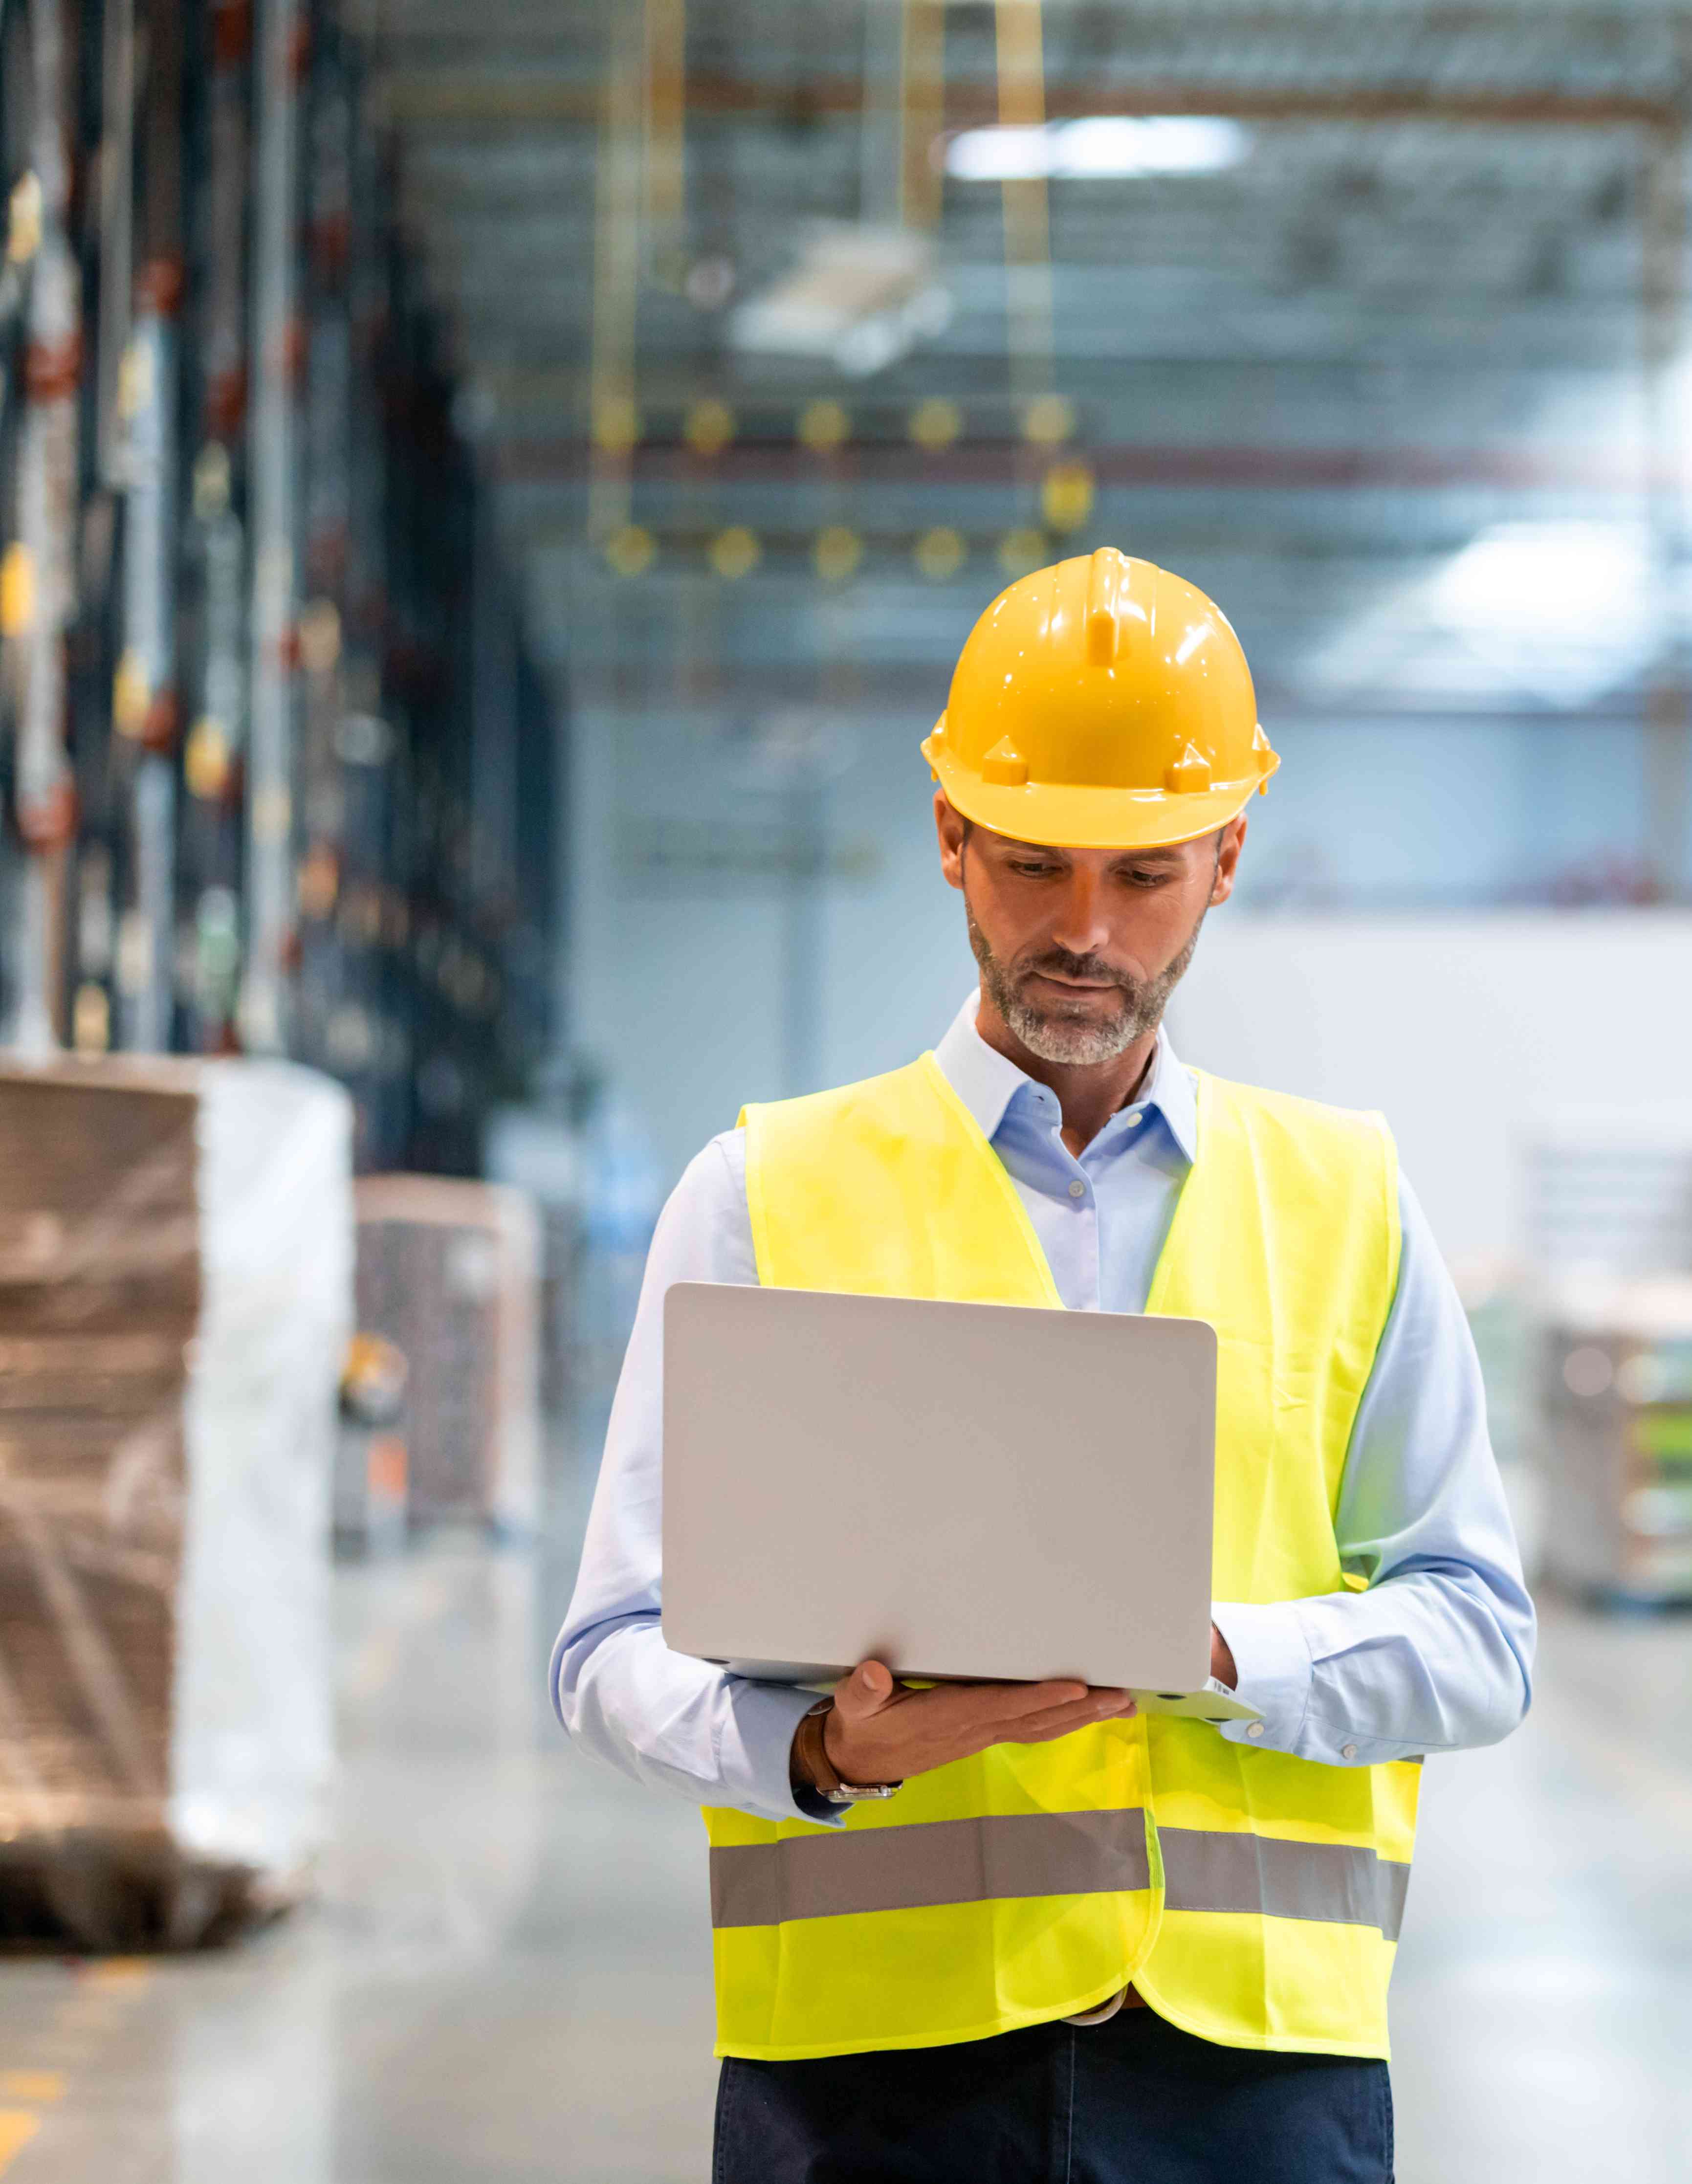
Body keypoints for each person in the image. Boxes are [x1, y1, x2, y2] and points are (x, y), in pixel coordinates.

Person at [552, 547, 1534, 2183]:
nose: (1084, 932)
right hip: (869, 2087)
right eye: (1032, 867)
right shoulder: (762, 1194)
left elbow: (1483, 1635)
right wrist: (818, 1752)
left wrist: (1224, 1651)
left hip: (1255, 2094)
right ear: (949, 837)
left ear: (1228, 857)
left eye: (1145, 875)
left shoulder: (1349, 1202)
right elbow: (608, 1648)